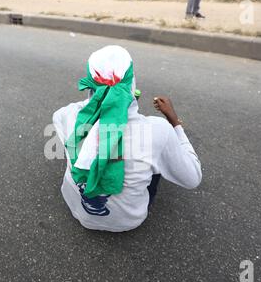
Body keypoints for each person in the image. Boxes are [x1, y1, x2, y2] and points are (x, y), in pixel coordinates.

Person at [52, 45, 202, 232]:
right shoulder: (158, 130)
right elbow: (193, 178)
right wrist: (175, 123)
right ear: (132, 83)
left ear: (90, 84)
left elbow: (90, 111)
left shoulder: (66, 115)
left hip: (78, 212)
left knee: (79, 145)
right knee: (157, 153)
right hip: (128, 222)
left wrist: (106, 105)